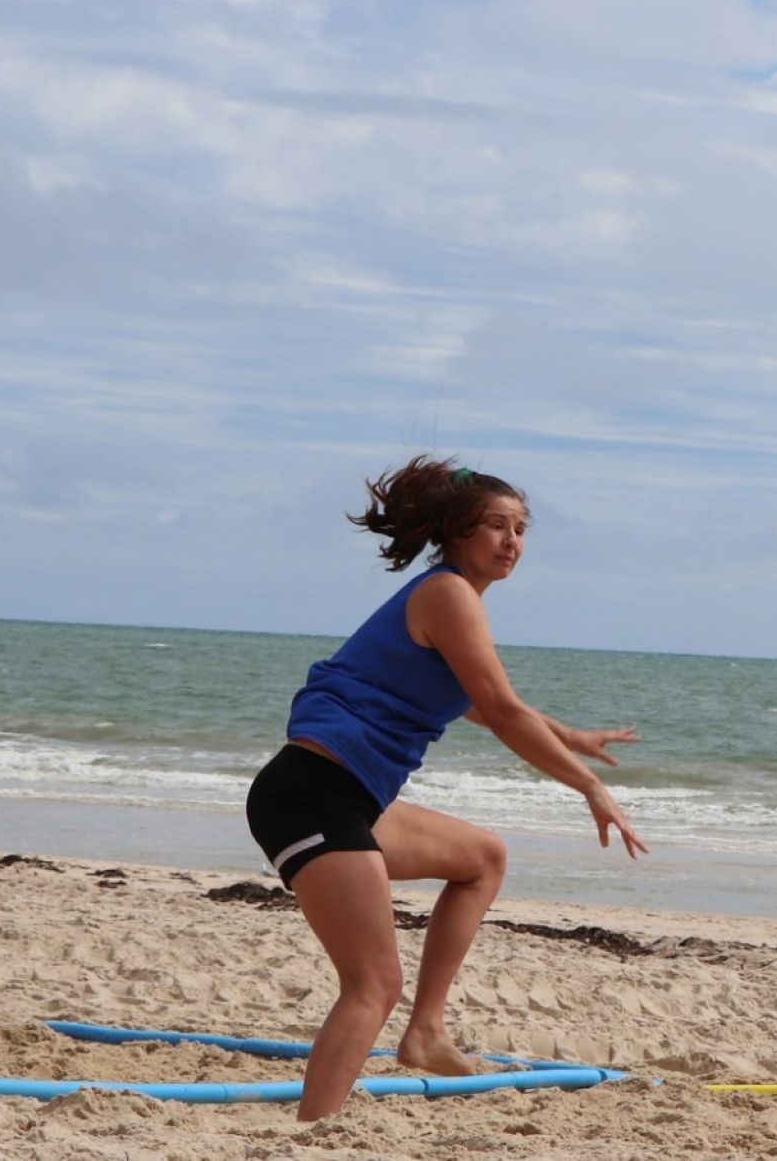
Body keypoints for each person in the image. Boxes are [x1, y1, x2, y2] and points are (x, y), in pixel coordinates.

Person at [245, 455, 649, 1121]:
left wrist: (572, 736)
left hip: (351, 798)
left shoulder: (449, 605)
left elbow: (483, 704)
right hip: (311, 794)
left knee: (482, 857)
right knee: (372, 982)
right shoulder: (446, 593)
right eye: (496, 525)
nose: (512, 541)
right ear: (459, 531)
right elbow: (500, 705)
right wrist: (588, 787)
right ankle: (313, 1130)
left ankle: (425, 1031)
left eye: (521, 528)